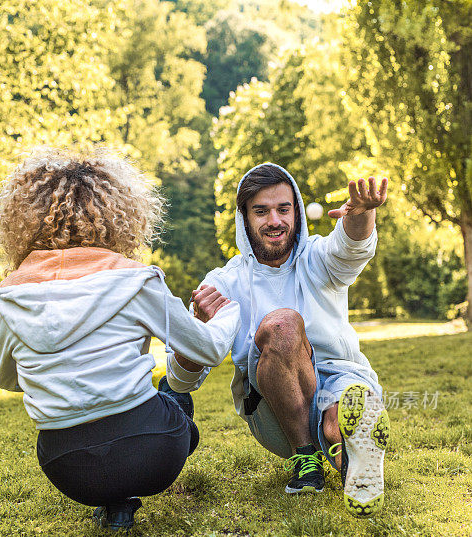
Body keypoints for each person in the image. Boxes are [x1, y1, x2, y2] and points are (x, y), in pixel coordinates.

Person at [0, 148, 240, 530]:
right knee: (174, 397)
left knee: (110, 423)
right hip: (154, 453)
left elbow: (6, 380)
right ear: (116, 215)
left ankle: (116, 504)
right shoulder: (135, 282)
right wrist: (227, 313)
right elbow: (206, 348)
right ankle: (128, 490)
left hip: (67, 468)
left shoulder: (15, 295)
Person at [166, 163, 390, 517]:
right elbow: (181, 380)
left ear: (296, 212)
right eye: (262, 211)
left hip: (340, 378)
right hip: (273, 408)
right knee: (282, 324)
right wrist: (197, 329)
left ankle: (350, 455)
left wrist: (361, 216)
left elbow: (351, 249)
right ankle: (306, 456)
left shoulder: (318, 257)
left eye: (283, 209)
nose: (275, 220)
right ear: (244, 218)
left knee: (343, 413)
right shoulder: (224, 284)